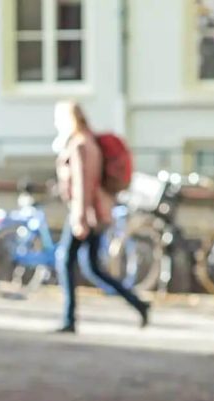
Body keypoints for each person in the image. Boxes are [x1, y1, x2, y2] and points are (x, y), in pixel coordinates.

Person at [53, 100, 149, 333]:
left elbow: (85, 184)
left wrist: (80, 217)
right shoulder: (87, 141)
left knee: (65, 260)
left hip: (87, 214)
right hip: (94, 213)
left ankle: (69, 319)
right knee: (93, 268)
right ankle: (138, 303)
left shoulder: (81, 144)